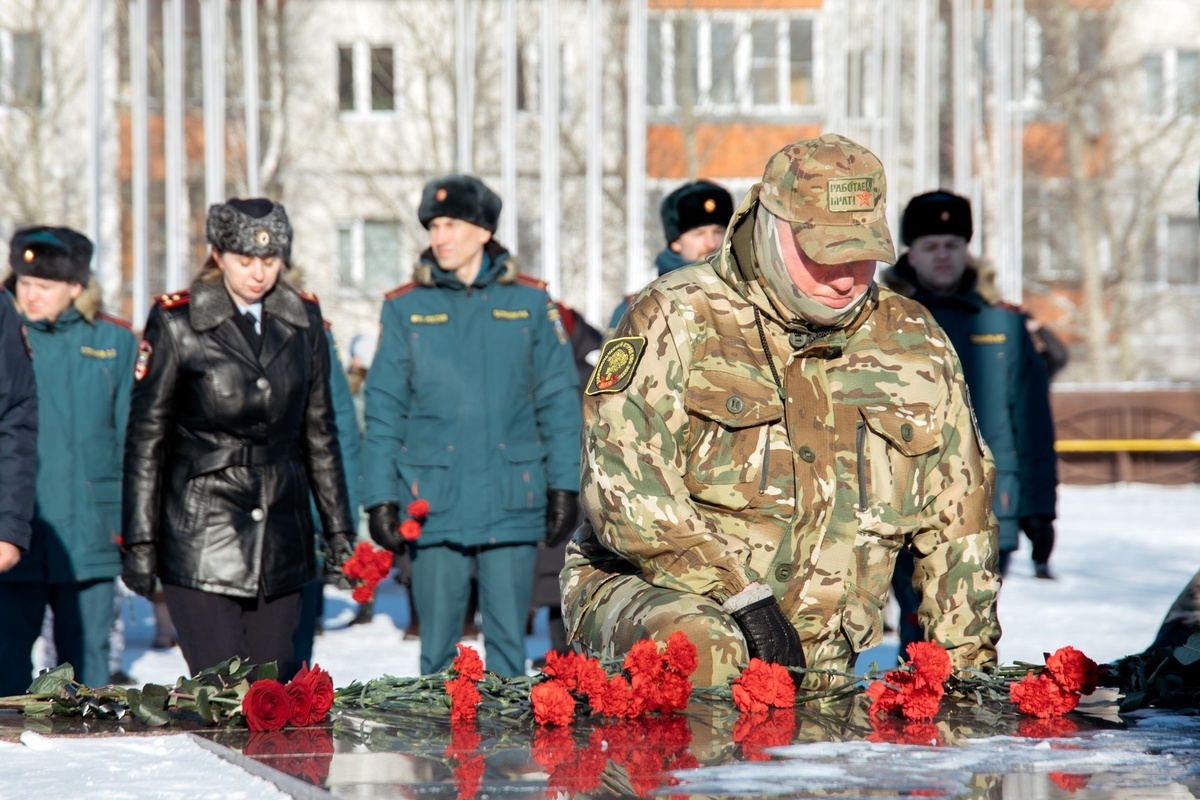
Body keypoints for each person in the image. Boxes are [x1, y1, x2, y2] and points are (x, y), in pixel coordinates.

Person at [562, 134, 1001, 690]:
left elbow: (958, 516)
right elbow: (624, 490)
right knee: (709, 649)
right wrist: (739, 597)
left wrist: (963, 672)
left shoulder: (911, 340)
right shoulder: (676, 316)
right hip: (660, 597)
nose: (845, 278)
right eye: (824, 255)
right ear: (770, 225)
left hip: (817, 646)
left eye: (863, 254)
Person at [121, 198, 355, 679]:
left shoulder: (304, 320)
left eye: (270, 261)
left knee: (274, 692)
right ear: (218, 255)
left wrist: (338, 531)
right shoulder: (176, 322)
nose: (258, 273)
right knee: (222, 695)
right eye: (245, 260)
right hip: (201, 531)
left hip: (283, 533)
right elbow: (146, 441)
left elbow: (320, 433)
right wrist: (141, 541)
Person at [362, 174, 581, 678]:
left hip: (513, 500)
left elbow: (559, 402)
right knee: (437, 658)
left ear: (484, 231)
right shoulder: (404, 308)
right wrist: (380, 499)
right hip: (433, 502)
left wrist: (564, 486)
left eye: (452, 224)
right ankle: (434, 755)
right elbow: (384, 408)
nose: (440, 236)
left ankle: (507, 757)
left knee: (508, 656)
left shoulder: (530, 304)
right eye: (434, 225)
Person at [882, 191, 1058, 583]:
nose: (942, 254)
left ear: (967, 250)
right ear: (911, 254)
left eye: (952, 244)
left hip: (992, 506)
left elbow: (1032, 425)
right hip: (905, 508)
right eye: (930, 246)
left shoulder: (1005, 326)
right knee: (919, 640)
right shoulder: (881, 324)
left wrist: (1041, 510)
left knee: (977, 635)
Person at [0, 227, 135, 693]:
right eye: (23, 282)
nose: (30, 295)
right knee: (6, 663)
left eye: (45, 286)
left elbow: (133, 443)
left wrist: (130, 527)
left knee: (87, 674)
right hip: (16, 532)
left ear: (76, 287)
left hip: (91, 536)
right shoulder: (6, 336)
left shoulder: (115, 343)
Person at [529, 302, 603, 665]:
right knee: (558, 569)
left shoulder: (582, 375)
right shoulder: (579, 373)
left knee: (566, 567)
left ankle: (567, 651)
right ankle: (562, 650)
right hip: (569, 482)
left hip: (572, 482)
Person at [607, 179, 734, 336]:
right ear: (675, 242)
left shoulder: (748, 299)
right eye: (698, 234)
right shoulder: (640, 309)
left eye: (718, 231)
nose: (711, 243)